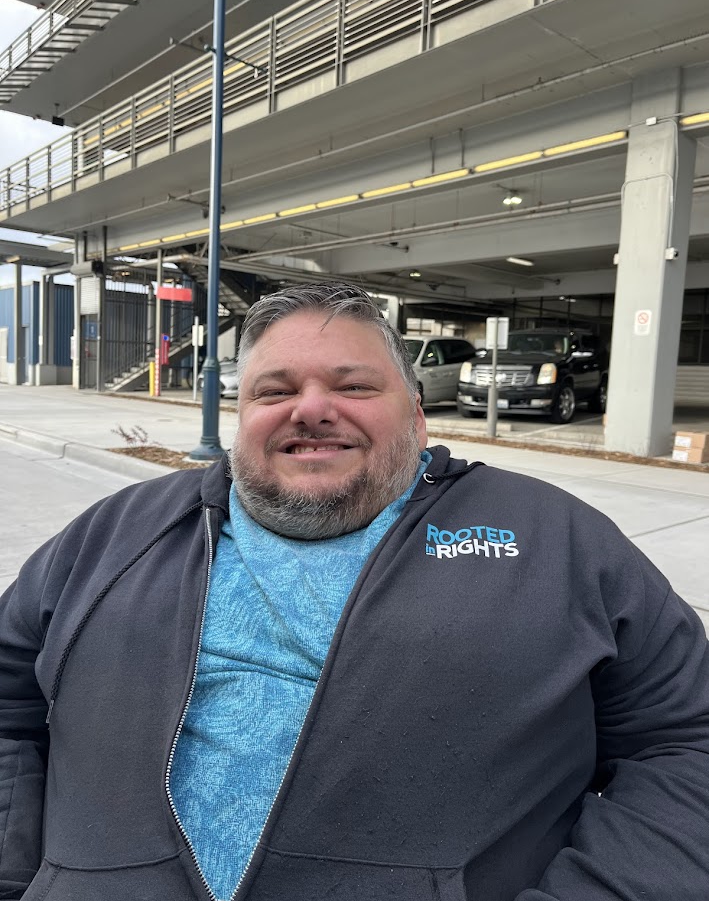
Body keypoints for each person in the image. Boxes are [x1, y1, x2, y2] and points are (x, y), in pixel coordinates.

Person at [1, 282, 708, 901]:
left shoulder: (557, 541)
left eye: (354, 387)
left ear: (418, 416)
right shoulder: (115, 533)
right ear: (238, 416)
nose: (310, 409)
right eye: (273, 390)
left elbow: (686, 744)